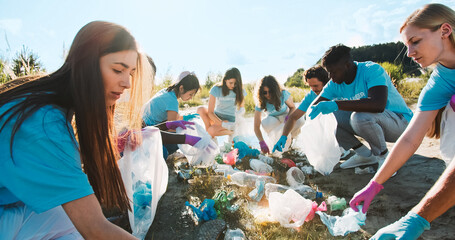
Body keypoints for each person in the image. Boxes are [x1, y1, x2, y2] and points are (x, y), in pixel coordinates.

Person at [0, 21, 151, 239]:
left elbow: (56, 159)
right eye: (118, 69)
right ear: (86, 64)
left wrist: (115, 143)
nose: (127, 83)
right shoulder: (43, 122)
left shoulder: (45, 97)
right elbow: (95, 229)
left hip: (10, 202)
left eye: (131, 73)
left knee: (69, 220)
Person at [350, 3, 455, 239]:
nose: (409, 52)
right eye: (407, 45)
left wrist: (416, 219)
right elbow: (409, 138)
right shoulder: (439, 83)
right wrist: (374, 184)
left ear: (445, 30)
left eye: (415, 41)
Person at [309, 44, 413, 170]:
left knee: (359, 116)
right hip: (372, 123)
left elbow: (378, 104)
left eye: (334, 72)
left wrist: (336, 104)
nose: (331, 77)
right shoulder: (334, 84)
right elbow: (314, 108)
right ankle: (365, 155)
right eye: (328, 73)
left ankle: (384, 158)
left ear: (347, 65)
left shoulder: (371, 70)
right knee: (327, 116)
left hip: (401, 124)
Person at [142, 71, 200, 156]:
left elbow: (173, 119)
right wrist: (189, 137)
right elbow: (171, 128)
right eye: (190, 94)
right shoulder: (172, 101)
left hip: (144, 125)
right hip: (147, 133)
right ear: (181, 88)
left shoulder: (166, 91)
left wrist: (186, 118)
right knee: (178, 140)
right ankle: (164, 154)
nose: (191, 98)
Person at [272, 65, 329, 152]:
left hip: (340, 122)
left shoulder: (334, 88)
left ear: (325, 82)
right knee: (308, 117)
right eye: (310, 86)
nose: (313, 89)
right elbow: (293, 117)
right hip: (323, 128)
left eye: (316, 85)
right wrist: (284, 136)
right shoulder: (311, 96)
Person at [253, 75, 301, 154]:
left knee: (299, 119)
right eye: (265, 92)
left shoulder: (283, 94)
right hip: (273, 120)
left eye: (270, 91)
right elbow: (256, 126)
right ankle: (275, 141)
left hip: (286, 115)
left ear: (275, 90)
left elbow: (292, 107)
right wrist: (261, 142)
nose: (268, 95)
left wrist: (288, 118)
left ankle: (291, 139)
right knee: (266, 122)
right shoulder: (260, 101)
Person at [197, 67, 247, 138]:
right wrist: (222, 123)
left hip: (230, 120)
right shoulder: (216, 89)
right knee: (200, 109)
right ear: (225, 80)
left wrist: (236, 120)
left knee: (211, 131)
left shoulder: (240, 91)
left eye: (235, 83)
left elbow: (242, 108)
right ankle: (211, 136)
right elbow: (210, 112)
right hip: (217, 116)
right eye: (231, 83)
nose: (233, 85)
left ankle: (232, 131)